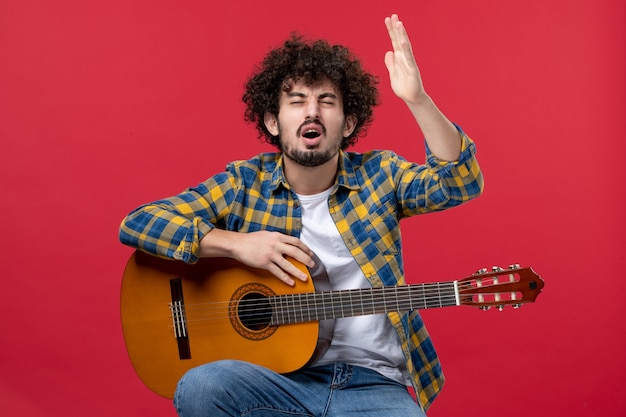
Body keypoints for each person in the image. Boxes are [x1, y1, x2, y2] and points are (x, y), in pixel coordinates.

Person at [119, 13, 483, 417]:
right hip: (277, 381)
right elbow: (138, 223)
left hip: (374, 383)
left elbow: (459, 182)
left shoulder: (381, 175)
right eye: (297, 101)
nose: (312, 111)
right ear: (273, 122)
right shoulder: (244, 183)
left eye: (327, 101)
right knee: (202, 386)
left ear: (348, 124)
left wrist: (418, 100)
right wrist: (236, 244)